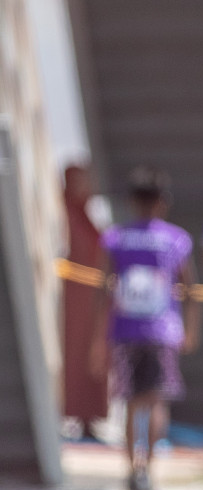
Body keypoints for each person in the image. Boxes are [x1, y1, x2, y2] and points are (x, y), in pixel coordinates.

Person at [90, 167, 200, 490]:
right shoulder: (175, 239)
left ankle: (131, 471)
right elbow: (190, 287)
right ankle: (147, 471)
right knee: (155, 402)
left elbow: (101, 290)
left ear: (132, 201)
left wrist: (97, 339)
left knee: (129, 401)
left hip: (124, 329)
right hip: (162, 330)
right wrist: (190, 329)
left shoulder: (115, 238)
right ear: (162, 202)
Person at [62, 164, 109, 441]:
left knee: (97, 355)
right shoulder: (64, 214)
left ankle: (92, 417)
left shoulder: (94, 215)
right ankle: (76, 414)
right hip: (72, 302)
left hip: (95, 300)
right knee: (76, 356)